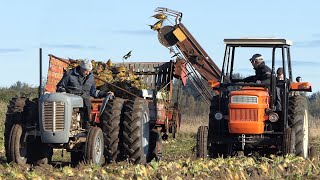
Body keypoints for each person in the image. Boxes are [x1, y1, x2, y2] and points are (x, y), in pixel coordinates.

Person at [56, 59, 110, 128]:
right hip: (72, 98)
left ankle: (86, 123)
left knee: (87, 101)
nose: (87, 73)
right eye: (86, 70)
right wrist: (63, 92)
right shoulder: (70, 74)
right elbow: (60, 86)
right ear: (81, 68)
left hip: (84, 100)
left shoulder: (91, 77)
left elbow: (93, 92)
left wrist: (105, 94)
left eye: (89, 71)